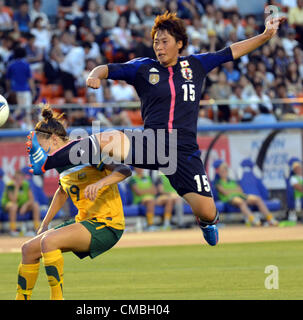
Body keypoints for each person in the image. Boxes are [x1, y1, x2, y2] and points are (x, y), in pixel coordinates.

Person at [27, 11, 285, 247]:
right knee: (107, 139)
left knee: (207, 210)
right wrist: (94, 75)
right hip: (152, 144)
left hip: (183, 152)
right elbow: (108, 68)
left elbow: (231, 51)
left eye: (164, 42)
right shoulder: (143, 68)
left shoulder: (195, 65)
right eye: (156, 42)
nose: (159, 47)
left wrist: (266, 34)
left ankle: (207, 222)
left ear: (179, 43)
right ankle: (46, 162)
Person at [17, 106, 131, 300]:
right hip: (85, 222)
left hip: (107, 224)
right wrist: (45, 223)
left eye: (44, 148)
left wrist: (101, 182)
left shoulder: (85, 151)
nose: (45, 155)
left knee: (49, 242)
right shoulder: (62, 164)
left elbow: (124, 170)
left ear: (54, 139)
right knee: (28, 249)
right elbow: (62, 191)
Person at [214, 161, 278, 226]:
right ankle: (253, 219)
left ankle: (270, 219)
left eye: (225, 170)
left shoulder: (232, 181)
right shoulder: (218, 182)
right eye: (222, 171)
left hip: (241, 196)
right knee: (240, 201)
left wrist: (232, 190)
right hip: (230, 199)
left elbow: (240, 190)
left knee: (257, 199)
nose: (224, 172)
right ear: (219, 172)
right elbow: (225, 192)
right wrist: (234, 190)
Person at [1, 169, 41, 237]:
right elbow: (13, 200)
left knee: (35, 205)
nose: (17, 180)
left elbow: (31, 199)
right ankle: (13, 230)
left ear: (23, 178)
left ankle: (37, 228)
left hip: (21, 205)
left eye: (19, 178)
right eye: (15, 178)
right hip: (8, 205)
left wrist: (25, 205)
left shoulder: (26, 185)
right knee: (14, 206)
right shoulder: (10, 185)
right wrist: (16, 187)